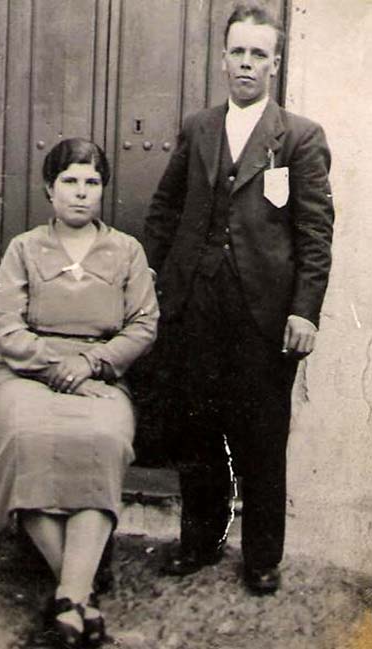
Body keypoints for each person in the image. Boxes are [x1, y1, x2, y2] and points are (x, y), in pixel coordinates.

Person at [144, 1, 334, 595]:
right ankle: (201, 540)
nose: (247, 64)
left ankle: (262, 556)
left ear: (274, 64)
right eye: (238, 52)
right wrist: (153, 281)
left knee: (261, 435)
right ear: (223, 59)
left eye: (259, 54)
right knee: (194, 430)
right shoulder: (199, 127)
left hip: (263, 314)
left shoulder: (299, 137)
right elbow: (165, 210)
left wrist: (304, 310)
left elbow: (314, 232)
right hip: (194, 308)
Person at [0, 138, 158, 647]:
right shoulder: (24, 249)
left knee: (104, 440)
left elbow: (143, 325)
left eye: (91, 182)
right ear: (50, 189)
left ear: (103, 191)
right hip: (24, 376)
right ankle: (80, 595)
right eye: (70, 181)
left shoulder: (126, 252)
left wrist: (91, 361)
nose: (81, 193)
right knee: (27, 439)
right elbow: (6, 329)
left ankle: (68, 598)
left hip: (98, 377)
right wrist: (57, 363)